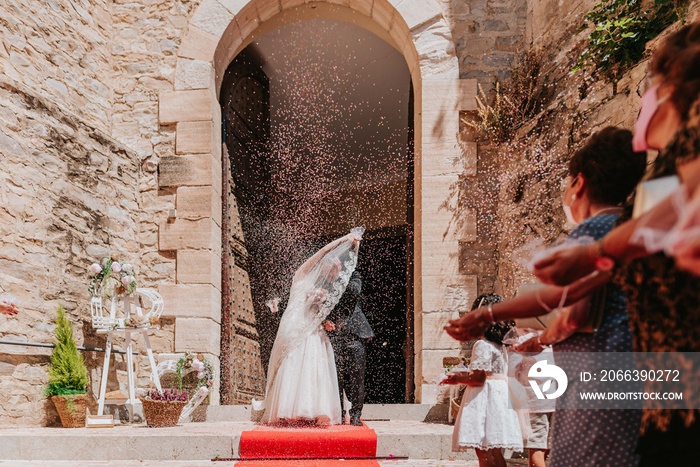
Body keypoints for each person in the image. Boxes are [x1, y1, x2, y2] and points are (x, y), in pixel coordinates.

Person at [530, 23, 700, 465]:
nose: (644, 97)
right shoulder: (663, 172)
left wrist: (590, 253)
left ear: (672, 89)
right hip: (664, 382)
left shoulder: (688, 149)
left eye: (652, 86)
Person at [446, 127, 646, 466]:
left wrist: (486, 316)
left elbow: (565, 305)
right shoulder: (636, 230)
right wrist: (544, 338)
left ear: (578, 184)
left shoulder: (590, 233)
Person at [254, 228, 363, 425]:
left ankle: (310, 409)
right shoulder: (300, 277)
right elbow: (320, 254)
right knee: (294, 361)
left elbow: (316, 312)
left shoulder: (324, 287)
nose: (332, 272)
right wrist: (343, 240)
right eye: (330, 268)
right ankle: (289, 410)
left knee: (313, 362)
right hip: (296, 326)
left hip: (311, 327)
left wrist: (323, 318)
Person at [442, 294, 523, 467]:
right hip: (500, 396)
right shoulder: (501, 346)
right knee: (494, 452)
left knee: (484, 454)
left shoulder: (483, 345)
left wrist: (456, 378)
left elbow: (479, 378)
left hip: (485, 399)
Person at [324, 269, 374, 426]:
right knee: (336, 377)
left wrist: (337, 276)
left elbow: (353, 292)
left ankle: (356, 414)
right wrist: (324, 320)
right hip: (335, 336)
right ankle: (339, 412)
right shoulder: (324, 282)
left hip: (354, 335)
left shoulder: (353, 275)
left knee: (357, 378)